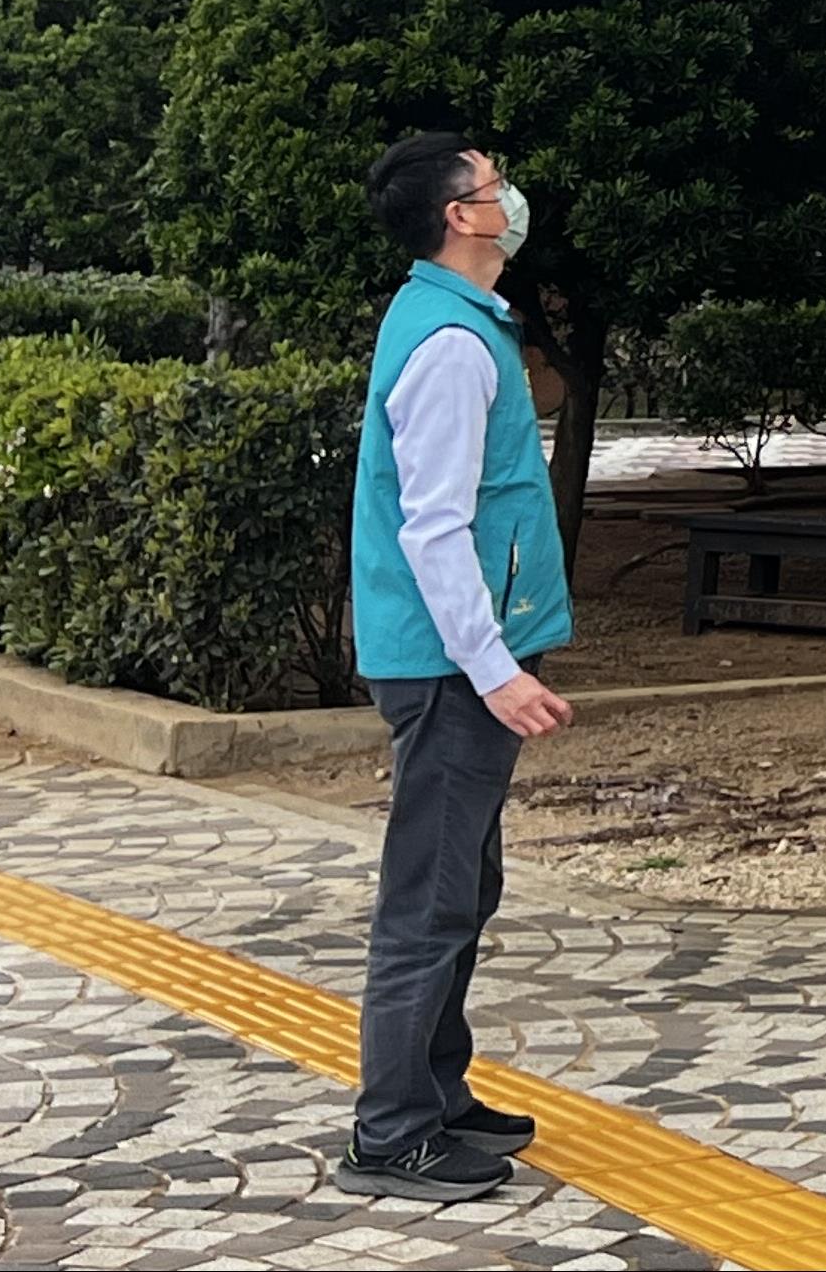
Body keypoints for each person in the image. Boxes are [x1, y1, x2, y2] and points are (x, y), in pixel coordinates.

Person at [331, 132, 575, 1206]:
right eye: (492, 186)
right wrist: (493, 670)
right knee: (428, 900)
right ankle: (390, 1133)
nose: (509, 198)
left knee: (462, 884)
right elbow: (434, 527)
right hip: (448, 667)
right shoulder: (451, 347)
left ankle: (437, 1092)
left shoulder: (454, 318)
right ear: (461, 218)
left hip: (454, 660)